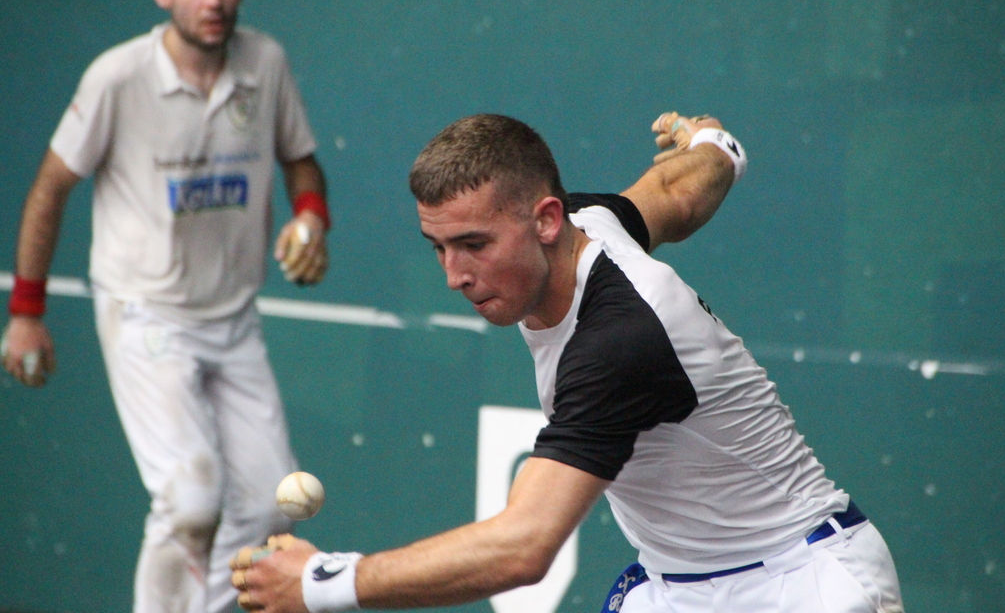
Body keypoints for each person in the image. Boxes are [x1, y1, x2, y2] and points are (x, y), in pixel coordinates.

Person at [230, 112, 903, 613]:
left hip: (799, 586)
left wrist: (323, 583)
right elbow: (677, 190)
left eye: (474, 244)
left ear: (547, 219)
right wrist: (715, 146)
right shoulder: (592, 222)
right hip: (681, 587)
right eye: (439, 247)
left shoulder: (619, 342)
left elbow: (524, 547)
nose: (454, 275)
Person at [1, 0, 331, 613]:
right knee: (190, 499)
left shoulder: (265, 62)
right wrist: (26, 312)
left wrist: (311, 220)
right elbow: (50, 188)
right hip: (146, 314)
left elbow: (302, 162)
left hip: (234, 319)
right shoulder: (118, 77)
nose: (214, 0)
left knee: (271, 506)